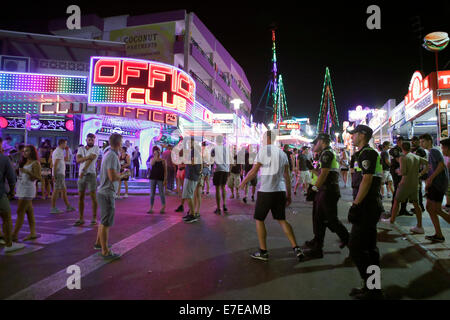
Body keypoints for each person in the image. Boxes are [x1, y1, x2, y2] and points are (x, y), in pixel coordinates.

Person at [239, 130, 304, 261]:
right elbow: (287, 176)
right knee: (282, 220)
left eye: (263, 138)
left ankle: (263, 251)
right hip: (280, 191)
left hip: (266, 192)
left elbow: (254, 170)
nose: (262, 140)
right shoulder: (282, 154)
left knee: (259, 219)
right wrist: (289, 194)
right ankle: (296, 248)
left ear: (267, 138)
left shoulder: (263, 151)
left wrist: (243, 182)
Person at [347, 125, 384, 300]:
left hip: (367, 206)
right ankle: (373, 288)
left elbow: (367, 180)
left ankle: (372, 288)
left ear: (362, 135)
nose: (351, 137)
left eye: (353, 134)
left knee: (356, 247)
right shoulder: (360, 154)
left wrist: (355, 205)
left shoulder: (368, 153)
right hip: (367, 205)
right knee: (369, 248)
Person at [303, 133, 349, 259]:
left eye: (315, 142)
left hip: (328, 191)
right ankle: (317, 243)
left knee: (330, 220)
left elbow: (323, 174)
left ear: (322, 141)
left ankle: (348, 240)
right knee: (318, 219)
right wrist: (311, 169)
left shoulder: (327, 153)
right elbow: (320, 173)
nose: (314, 145)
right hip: (325, 190)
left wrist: (314, 188)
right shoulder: (326, 153)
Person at [385, 141, 428, 234]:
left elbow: (403, 172)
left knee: (396, 200)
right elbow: (427, 163)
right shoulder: (416, 156)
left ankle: (391, 220)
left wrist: (397, 171)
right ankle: (420, 226)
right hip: (415, 183)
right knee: (416, 204)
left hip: (405, 183)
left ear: (402, 148)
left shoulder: (403, 158)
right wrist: (421, 173)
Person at [95, 133, 125, 260]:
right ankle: (105, 250)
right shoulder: (112, 156)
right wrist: (123, 175)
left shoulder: (109, 154)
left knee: (103, 220)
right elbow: (112, 176)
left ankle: (98, 243)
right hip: (107, 192)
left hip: (104, 191)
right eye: (122, 142)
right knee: (106, 222)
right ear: (118, 143)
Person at [419, 134, 450, 242]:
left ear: (429, 141)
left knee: (436, 209)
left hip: (438, 184)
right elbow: (431, 167)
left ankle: (439, 234)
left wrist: (431, 179)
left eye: (423, 141)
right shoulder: (430, 152)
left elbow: (441, 165)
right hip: (435, 184)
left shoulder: (434, 151)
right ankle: (438, 234)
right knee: (429, 208)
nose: (421, 144)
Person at [12, 145, 42, 242]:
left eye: (27, 151)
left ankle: (14, 234)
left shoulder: (35, 163)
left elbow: (38, 177)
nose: (24, 153)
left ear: (32, 152)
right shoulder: (24, 162)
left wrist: (27, 172)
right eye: (24, 151)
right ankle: (33, 232)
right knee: (29, 212)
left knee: (20, 212)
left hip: (28, 189)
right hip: (21, 187)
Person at [0, 139, 25, 253]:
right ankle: (9, 244)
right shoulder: (4, 159)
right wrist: (11, 192)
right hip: (0, 194)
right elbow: (11, 178)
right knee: (6, 218)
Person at [75, 133, 100, 226]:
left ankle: (94, 218)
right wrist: (87, 157)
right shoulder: (81, 149)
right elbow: (78, 160)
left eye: (92, 139)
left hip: (90, 174)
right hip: (81, 175)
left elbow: (91, 159)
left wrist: (84, 169)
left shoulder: (96, 148)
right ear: (86, 140)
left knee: (93, 196)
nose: (91, 141)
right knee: (80, 196)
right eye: (89, 139)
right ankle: (81, 218)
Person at [50, 139, 75, 214]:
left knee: (64, 190)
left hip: (61, 173)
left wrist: (67, 151)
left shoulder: (60, 151)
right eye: (65, 144)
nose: (66, 145)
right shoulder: (58, 151)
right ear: (62, 143)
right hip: (58, 173)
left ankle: (68, 206)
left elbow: (66, 159)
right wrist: (54, 175)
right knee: (56, 191)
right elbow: (56, 163)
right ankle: (53, 207)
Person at [181, 138, 202, 223]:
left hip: (191, 176)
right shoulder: (193, 151)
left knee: (189, 195)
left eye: (190, 142)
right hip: (191, 175)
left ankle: (193, 215)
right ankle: (191, 213)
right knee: (188, 195)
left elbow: (193, 162)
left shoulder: (194, 151)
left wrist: (185, 161)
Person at [390, 136, 411, 216]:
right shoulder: (394, 150)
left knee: (405, 189)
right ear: (398, 141)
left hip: (404, 171)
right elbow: (398, 159)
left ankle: (403, 209)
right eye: (402, 141)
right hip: (396, 171)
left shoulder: (405, 150)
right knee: (398, 189)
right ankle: (393, 210)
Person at [212, 135, 230, 215]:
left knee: (217, 189)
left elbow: (211, 158)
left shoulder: (214, 149)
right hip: (225, 170)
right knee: (223, 187)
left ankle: (218, 208)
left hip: (218, 170)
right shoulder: (227, 149)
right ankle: (224, 205)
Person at [147, 146, 167, 214]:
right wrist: (155, 157)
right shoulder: (152, 159)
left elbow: (165, 171)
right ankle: (151, 207)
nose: (156, 152)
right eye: (155, 151)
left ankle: (163, 206)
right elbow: (152, 164)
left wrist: (165, 179)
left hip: (160, 178)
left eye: (157, 151)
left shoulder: (163, 161)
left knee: (161, 193)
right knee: (152, 193)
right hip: (153, 178)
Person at [411, 136, 428, 213]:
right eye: (412, 141)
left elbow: (421, 162)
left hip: (418, 172)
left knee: (418, 191)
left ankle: (420, 207)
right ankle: (418, 207)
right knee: (416, 191)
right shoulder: (414, 150)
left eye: (415, 141)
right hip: (415, 172)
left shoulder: (420, 150)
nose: (413, 142)